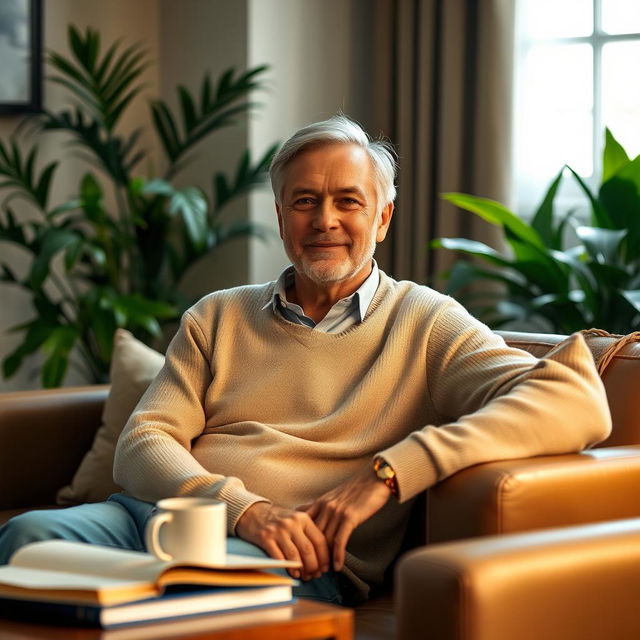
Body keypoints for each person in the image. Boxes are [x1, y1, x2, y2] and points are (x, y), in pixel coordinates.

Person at [0, 115, 611, 605]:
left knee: (187, 592)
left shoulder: (427, 322)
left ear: (383, 215)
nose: (325, 221)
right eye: (304, 201)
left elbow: (575, 400)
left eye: (348, 201)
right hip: (159, 519)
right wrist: (244, 510)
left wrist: (391, 472)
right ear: (280, 215)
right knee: (23, 542)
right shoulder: (219, 314)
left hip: (298, 558)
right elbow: (144, 440)